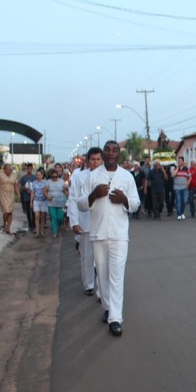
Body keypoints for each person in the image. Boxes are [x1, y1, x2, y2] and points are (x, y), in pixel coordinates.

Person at [77, 140, 140, 336]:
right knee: (102, 275)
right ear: (103, 153)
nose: (111, 153)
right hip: (98, 233)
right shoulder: (92, 176)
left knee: (116, 275)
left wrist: (124, 200)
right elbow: (80, 203)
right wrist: (94, 195)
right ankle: (107, 308)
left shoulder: (127, 176)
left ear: (119, 154)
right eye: (108, 150)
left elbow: (136, 203)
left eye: (115, 150)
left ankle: (115, 318)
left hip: (119, 234)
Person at [68, 147, 103, 296]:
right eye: (92, 159)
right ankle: (89, 284)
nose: (95, 162)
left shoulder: (106, 176)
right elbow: (73, 199)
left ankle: (102, 290)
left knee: (102, 260)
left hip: (102, 224)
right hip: (85, 223)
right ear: (88, 161)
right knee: (87, 256)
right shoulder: (79, 176)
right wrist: (74, 222)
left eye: (98, 159)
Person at [0, 163, 20, 235]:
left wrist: (18, 195)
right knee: (6, 210)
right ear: (5, 169)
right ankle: (4, 223)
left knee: (10, 211)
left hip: (11, 195)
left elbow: (16, 186)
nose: (10, 171)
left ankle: (8, 228)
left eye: (11, 170)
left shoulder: (13, 176)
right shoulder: (0, 175)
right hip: (3, 195)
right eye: (9, 170)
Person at [45, 168, 68, 237]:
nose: (54, 178)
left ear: (58, 176)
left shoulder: (61, 182)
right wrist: (47, 196)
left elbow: (65, 191)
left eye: (56, 176)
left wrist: (68, 199)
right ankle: (55, 231)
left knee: (60, 218)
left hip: (60, 203)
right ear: (51, 176)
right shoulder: (48, 182)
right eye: (53, 177)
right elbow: (44, 191)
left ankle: (58, 227)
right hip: (51, 203)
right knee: (53, 217)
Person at [30, 169, 48, 237]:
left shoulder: (45, 182)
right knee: (37, 216)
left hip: (43, 201)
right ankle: (37, 232)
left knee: (43, 217)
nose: (38, 176)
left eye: (39, 175)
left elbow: (47, 191)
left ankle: (42, 231)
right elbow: (32, 192)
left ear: (42, 175)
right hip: (36, 201)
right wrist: (31, 202)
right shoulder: (34, 183)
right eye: (37, 175)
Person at [19, 163, 36, 233]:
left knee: (34, 212)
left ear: (32, 169)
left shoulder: (34, 177)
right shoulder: (23, 178)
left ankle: (34, 225)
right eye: (28, 169)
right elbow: (21, 186)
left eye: (30, 169)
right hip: (26, 197)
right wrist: (26, 189)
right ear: (26, 169)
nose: (29, 170)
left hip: (34, 198)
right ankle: (30, 225)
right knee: (28, 212)